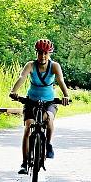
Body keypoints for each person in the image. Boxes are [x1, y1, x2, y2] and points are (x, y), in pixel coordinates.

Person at [9, 38, 71, 174]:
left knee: (48, 120)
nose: (42, 56)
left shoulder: (54, 66)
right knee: (28, 127)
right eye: (40, 53)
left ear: (49, 54)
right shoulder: (30, 65)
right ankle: (24, 163)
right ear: (36, 53)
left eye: (46, 53)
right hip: (31, 101)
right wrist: (14, 91)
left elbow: (61, 81)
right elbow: (22, 77)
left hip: (49, 102)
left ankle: (48, 145)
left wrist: (66, 96)